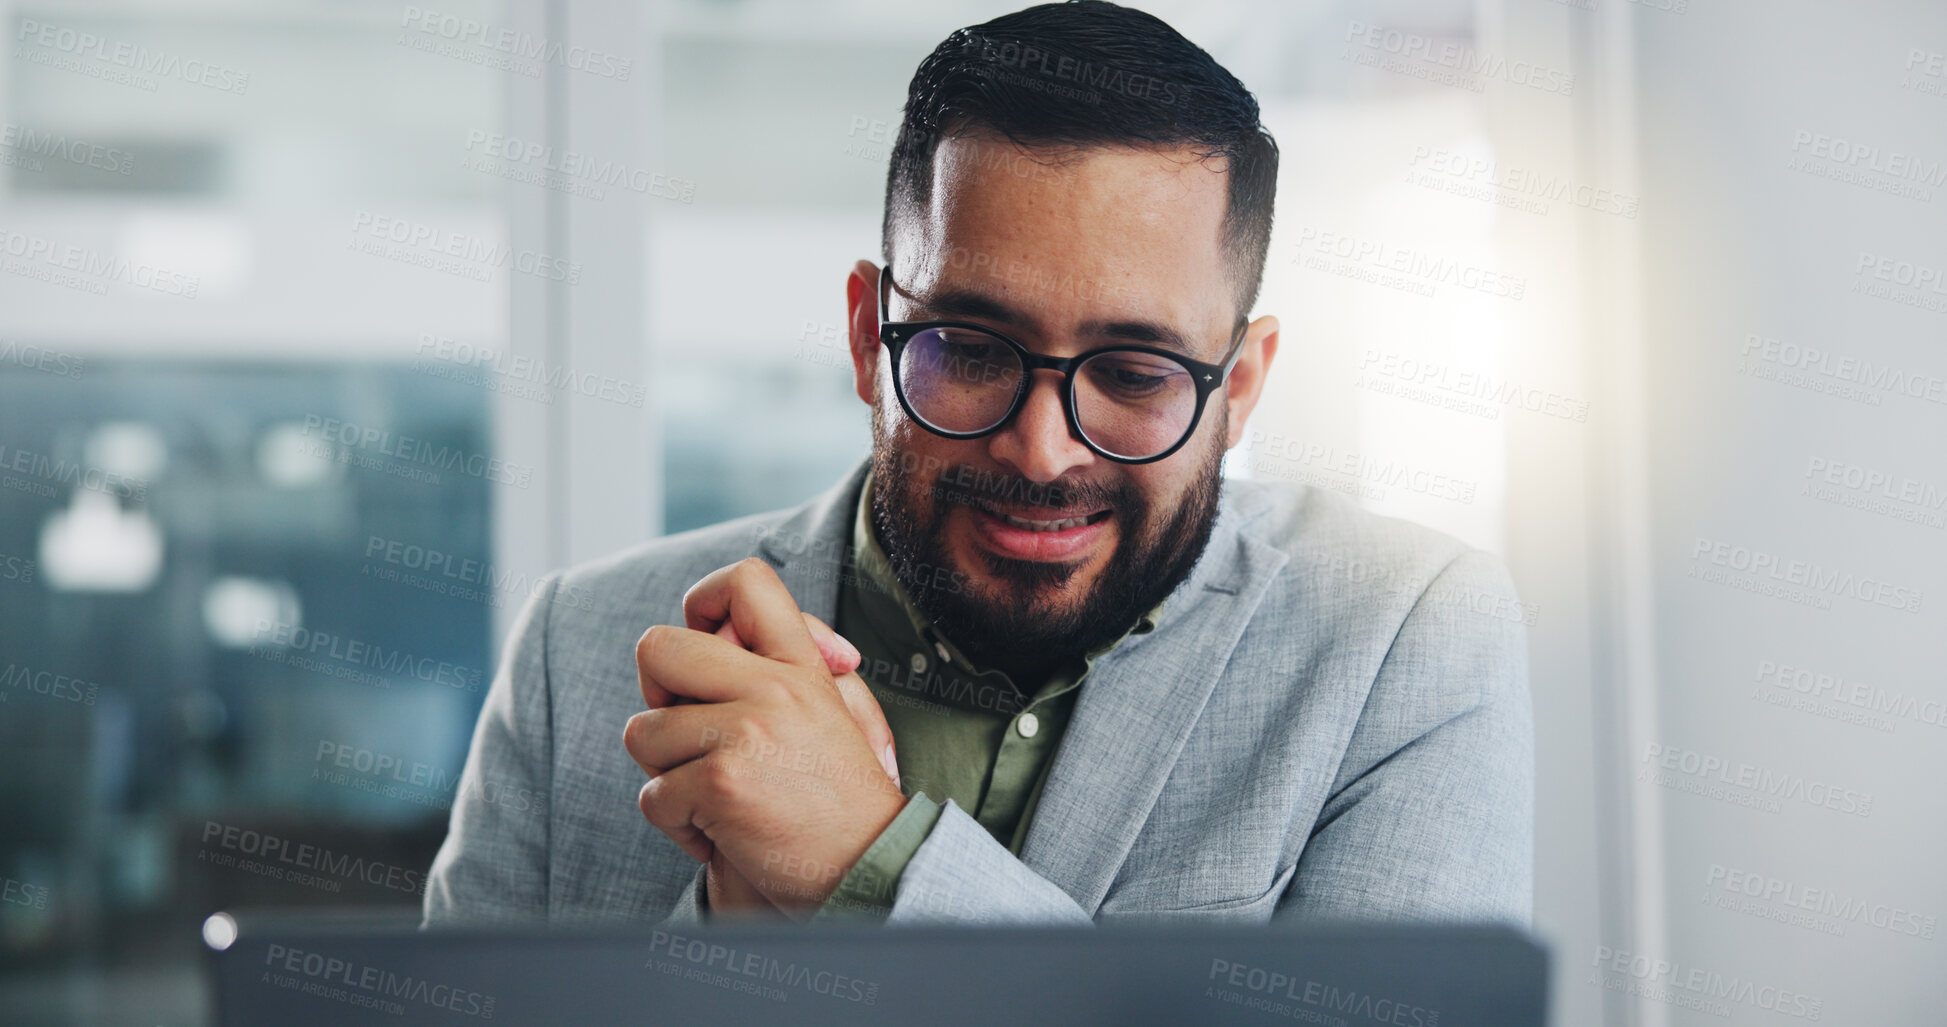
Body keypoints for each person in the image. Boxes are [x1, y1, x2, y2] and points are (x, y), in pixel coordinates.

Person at [424, 0, 1531, 929]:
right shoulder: (576, 657)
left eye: (1136, 372)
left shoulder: (1403, 640)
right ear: (869, 336)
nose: (1042, 450)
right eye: (968, 350)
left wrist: (870, 858)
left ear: (1238, 389)